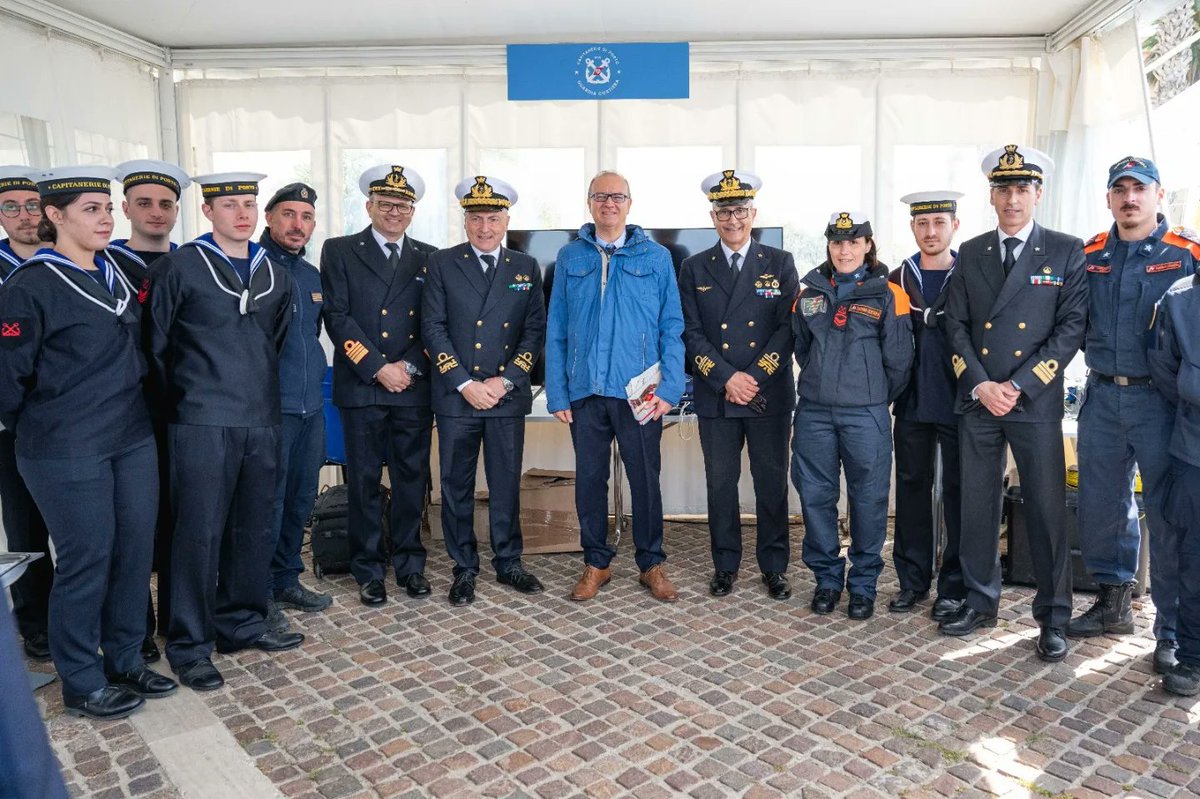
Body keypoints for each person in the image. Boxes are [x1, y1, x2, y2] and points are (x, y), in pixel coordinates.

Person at [0, 165, 176, 719]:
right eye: (90, 210)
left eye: (105, 209)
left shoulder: (115, 271)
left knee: (132, 553)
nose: (104, 219)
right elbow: (8, 379)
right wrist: (40, 423)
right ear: (55, 216)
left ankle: (124, 658)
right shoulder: (29, 285)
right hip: (65, 445)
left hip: (129, 436)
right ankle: (80, 677)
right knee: (87, 558)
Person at [146, 171, 304, 692]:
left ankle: (241, 620)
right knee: (197, 533)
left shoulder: (274, 273)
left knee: (252, 526)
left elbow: (273, 343)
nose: (243, 214)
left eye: (249, 205)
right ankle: (190, 643)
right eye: (231, 204)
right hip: (199, 419)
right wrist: (189, 404)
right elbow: (157, 348)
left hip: (259, 417)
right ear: (209, 211)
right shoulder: (180, 267)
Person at [942, 145, 1087, 662]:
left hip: (1034, 399)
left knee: (1047, 511)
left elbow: (1071, 328)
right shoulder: (974, 252)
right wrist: (981, 384)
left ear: (1037, 193)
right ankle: (981, 603)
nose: (1012, 198)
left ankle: (1053, 617)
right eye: (1003, 189)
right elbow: (954, 326)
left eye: (1022, 188)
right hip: (980, 399)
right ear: (991, 195)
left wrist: (1020, 384)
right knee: (977, 505)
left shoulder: (1067, 250)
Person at [1068, 157, 1196, 676]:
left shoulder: (1187, 255)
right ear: (1107, 198)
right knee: (1101, 503)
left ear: (1159, 195)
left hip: (1162, 403)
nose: (1129, 198)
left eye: (1138, 188)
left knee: (1169, 516)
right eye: (1118, 189)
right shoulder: (1090, 253)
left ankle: (1170, 628)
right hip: (1100, 395)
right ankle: (1113, 601)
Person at [545, 170, 685, 603]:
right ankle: (597, 562)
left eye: (617, 196)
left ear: (630, 203)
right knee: (589, 479)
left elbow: (672, 325)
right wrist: (556, 390)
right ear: (589, 202)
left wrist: (671, 388)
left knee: (645, 479)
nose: (609, 203)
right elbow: (557, 328)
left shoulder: (657, 257)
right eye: (601, 196)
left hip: (638, 392)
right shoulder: (570, 258)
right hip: (585, 390)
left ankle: (651, 564)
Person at [422, 175, 547, 605]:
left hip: (505, 395)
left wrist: (506, 379)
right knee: (456, 483)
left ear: (507, 219)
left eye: (493, 218)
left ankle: (509, 561)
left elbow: (534, 331)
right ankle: (464, 567)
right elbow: (432, 328)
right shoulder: (441, 263)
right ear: (465, 221)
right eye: (476, 218)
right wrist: (463, 381)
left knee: (505, 481)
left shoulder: (525, 267)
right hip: (458, 396)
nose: (485, 227)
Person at [321, 165, 437, 607]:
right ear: (368, 206)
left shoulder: (431, 256)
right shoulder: (340, 250)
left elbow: (435, 323)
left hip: (411, 385)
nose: (393, 212)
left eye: (402, 206)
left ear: (413, 212)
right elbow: (337, 316)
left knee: (411, 480)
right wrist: (376, 367)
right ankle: (367, 568)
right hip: (363, 384)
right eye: (385, 204)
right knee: (364, 482)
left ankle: (410, 564)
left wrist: (406, 367)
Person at [678, 170, 798, 599]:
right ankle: (725, 564)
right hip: (717, 395)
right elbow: (690, 333)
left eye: (741, 211)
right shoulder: (694, 267)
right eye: (725, 211)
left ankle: (774, 566)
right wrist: (727, 378)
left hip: (768, 395)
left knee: (770, 483)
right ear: (713, 216)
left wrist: (754, 377)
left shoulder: (780, 263)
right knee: (721, 485)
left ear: (754, 213)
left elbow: (788, 329)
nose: (733, 220)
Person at [791, 211, 913, 620]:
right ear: (829, 245)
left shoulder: (889, 294)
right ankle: (827, 580)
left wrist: (871, 395)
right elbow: (802, 348)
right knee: (815, 497)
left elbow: (899, 363)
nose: (845, 250)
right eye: (837, 242)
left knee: (870, 499)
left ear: (868, 245)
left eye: (853, 242)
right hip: (814, 413)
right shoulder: (808, 291)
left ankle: (863, 585)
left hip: (866, 415)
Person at [109, 158, 192, 665]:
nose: (156, 213)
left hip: (182, 410)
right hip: (126, 412)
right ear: (126, 209)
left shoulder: (189, 262)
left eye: (165, 204)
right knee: (131, 525)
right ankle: (133, 625)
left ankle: (177, 619)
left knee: (182, 518)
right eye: (145, 203)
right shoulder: (106, 263)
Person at [887, 191, 965, 619]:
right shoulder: (897, 278)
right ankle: (912, 581)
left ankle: (953, 585)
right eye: (922, 223)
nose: (931, 231)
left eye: (939, 221)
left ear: (955, 225)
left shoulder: (972, 272)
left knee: (957, 494)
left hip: (960, 402)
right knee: (913, 492)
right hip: (913, 402)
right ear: (913, 228)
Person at [258, 183, 332, 628]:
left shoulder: (310, 275)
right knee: (267, 501)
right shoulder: (252, 267)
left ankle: (286, 577)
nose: (297, 224)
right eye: (288, 214)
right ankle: (259, 589)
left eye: (305, 217)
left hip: (309, 405)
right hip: (270, 409)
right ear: (269, 218)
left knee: (301, 497)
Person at [0, 165, 52, 661]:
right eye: (11, 207)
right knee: (26, 523)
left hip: (67, 417)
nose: (23, 216)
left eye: (32, 205)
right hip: (12, 419)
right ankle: (36, 620)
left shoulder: (75, 261)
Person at [1146, 230, 1200, 696]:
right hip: (1194, 450)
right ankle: (1191, 654)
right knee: (1192, 556)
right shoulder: (1181, 300)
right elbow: (1165, 368)